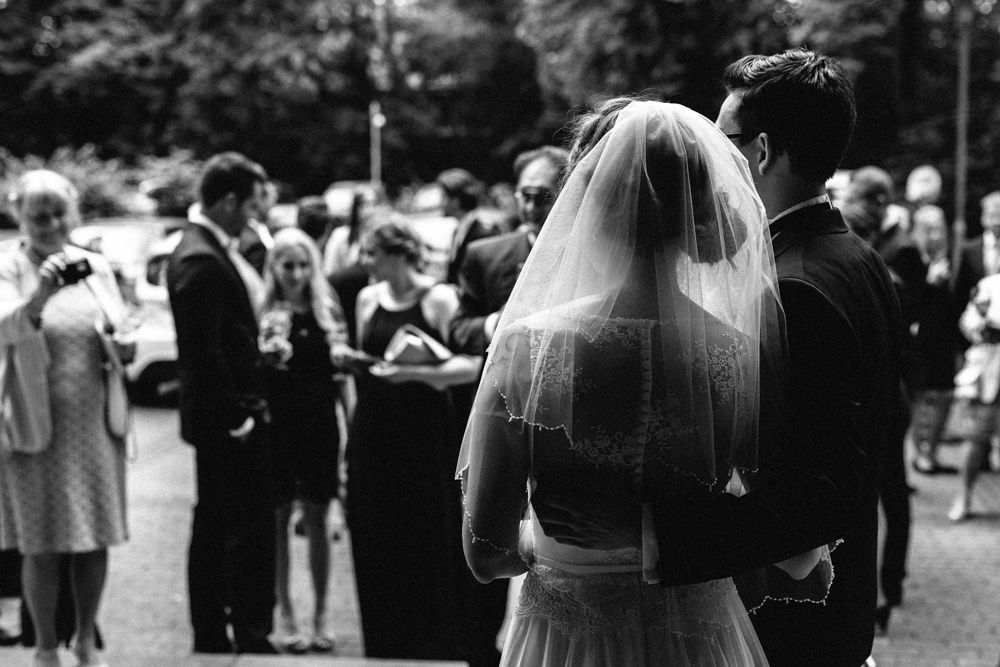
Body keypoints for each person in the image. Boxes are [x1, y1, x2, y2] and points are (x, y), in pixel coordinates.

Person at [459, 97, 825, 665]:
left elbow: (486, 553)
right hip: (700, 638)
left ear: (586, 203)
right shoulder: (734, 353)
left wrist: (554, 543)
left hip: (566, 638)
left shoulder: (529, 346)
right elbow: (784, 541)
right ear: (698, 212)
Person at [0, 170, 132, 667]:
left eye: (59, 214)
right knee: (42, 541)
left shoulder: (95, 266)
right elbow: (4, 327)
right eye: (39, 216)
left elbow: (118, 331)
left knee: (94, 536)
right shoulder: (8, 266)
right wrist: (42, 294)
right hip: (35, 423)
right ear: (20, 217)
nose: (51, 224)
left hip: (95, 423)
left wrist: (123, 345)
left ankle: (84, 640)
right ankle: (46, 647)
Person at [339, 218, 482, 660]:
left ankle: (433, 642)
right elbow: (371, 357)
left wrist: (413, 372)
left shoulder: (439, 297)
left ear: (397, 253)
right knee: (375, 530)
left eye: (370, 253)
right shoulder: (367, 299)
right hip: (375, 428)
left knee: (426, 531)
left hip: (423, 433)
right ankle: (384, 641)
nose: (364, 263)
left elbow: (474, 364)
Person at [166, 152, 277, 655]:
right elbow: (201, 352)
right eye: (252, 202)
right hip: (224, 421)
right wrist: (238, 418)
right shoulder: (200, 259)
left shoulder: (208, 249)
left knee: (217, 522)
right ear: (230, 201)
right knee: (235, 527)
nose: (256, 213)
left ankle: (217, 632)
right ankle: (235, 634)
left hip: (223, 415)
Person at [259, 227, 349, 653]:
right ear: (273, 267)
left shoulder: (325, 309)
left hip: (318, 426)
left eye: (302, 264)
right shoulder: (264, 311)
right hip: (277, 428)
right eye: (287, 264)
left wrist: (352, 427)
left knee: (317, 519)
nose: (295, 273)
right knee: (277, 521)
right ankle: (286, 612)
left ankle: (320, 615)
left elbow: (340, 379)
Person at [448, 146, 570, 358]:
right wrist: (497, 323)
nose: (530, 208)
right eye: (524, 196)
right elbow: (459, 331)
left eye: (542, 197)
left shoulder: (593, 255)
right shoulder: (484, 254)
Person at [907, 205, 960, 474]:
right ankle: (921, 454)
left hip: (945, 337)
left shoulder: (953, 258)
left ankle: (932, 450)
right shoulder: (912, 259)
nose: (937, 235)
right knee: (921, 395)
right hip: (920, 338)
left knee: (945, 394)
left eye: (940, 228)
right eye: (930, 229)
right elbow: (909, 302)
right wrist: (929, 282)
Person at [948, 268, 1000, 521]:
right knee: (974, 438)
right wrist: (982, 321)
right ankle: (964, 496)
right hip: (987, 373)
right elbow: (966, 322)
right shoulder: (990, 284)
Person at [438, 168, 516, 285]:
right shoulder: (459, 230)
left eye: (443, 196)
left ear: (456, 201)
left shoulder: (484, 232)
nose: (440, 203)